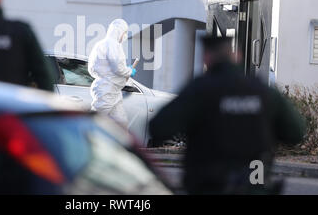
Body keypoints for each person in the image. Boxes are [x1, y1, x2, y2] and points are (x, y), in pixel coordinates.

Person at [149, 36, 305, 195]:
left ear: (206, 58)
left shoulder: (200, 90)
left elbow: (159, 127)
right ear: (236, 55)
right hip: (255, 186)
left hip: (210, 187)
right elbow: (296, 133)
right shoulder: (263, 91)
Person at [88, 19, 137, 127]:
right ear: (118, 31)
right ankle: (83, 142)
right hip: (107, 89)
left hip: (113, 90)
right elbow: (118, 68)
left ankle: (121, 143)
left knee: (121, 123)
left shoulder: (101, 44)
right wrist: (129, 71)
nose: (124, 36)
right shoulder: (112, 44)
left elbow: (92, 68)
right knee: (95, 122)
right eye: (124, 33)